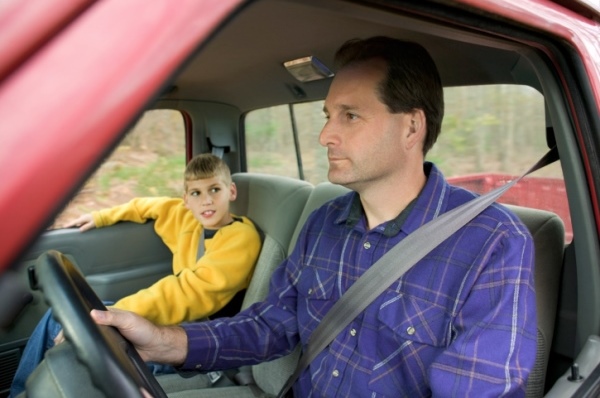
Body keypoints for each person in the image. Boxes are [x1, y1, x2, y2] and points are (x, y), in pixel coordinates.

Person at [94, 36, 537, 397]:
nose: (326, 134)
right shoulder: (324, 224)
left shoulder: (492, 244)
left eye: (350, 116)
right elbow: (268, 327)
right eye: (328, 116)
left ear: (411, 127)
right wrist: (165, 341)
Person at [9, 153, 262, 397]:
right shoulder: (184, 217)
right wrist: (101, 217)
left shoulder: (241, 238)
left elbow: (186, 292)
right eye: (197, 193)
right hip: (174, 324)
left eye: (215, 190)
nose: (206, 201)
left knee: (81, 335)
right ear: (186, 199)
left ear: (231, 191)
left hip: (201, 341)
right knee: (58, 317)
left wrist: (112, 315)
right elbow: (146, 206)